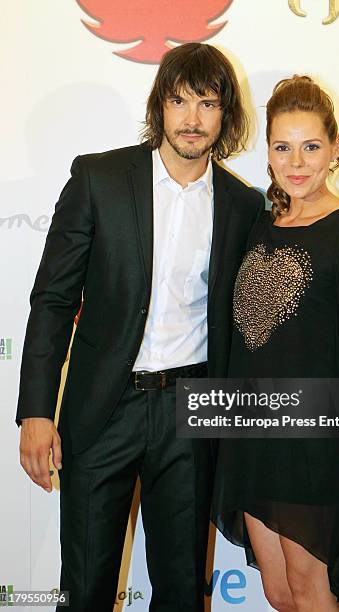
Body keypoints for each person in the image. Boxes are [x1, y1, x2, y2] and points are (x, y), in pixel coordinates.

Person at [16, 42, 264, 611]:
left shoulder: (241, 205)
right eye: (180, 101)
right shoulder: (99, 179)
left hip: (191, 411)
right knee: (85, 586)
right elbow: (53, 300)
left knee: (180, 590)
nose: (193, 119)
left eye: (208, 103)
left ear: (225, 115)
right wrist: (35, 411)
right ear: (160, 106)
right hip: (103, 409)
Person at [211, 76, 339, 612]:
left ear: (335, 148)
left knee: (315, 595)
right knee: (279, 594)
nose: (296, 162)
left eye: (311, 146)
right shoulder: (260, 225)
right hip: (250, 436)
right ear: (266, 150)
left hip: (313, 444)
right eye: (282, 147)